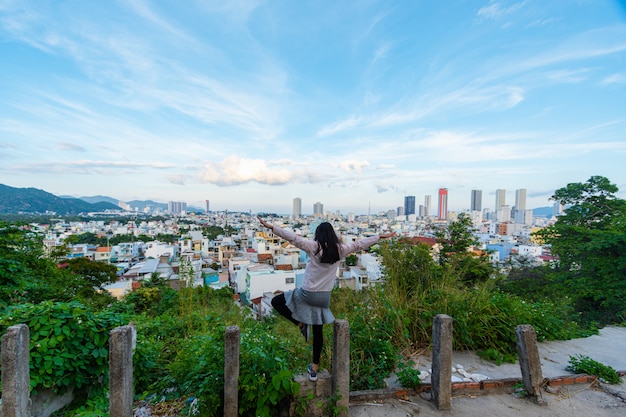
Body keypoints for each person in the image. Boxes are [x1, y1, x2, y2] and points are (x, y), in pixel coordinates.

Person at [257, 216, 395, 381]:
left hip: (307, 293)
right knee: (318, 331)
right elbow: (359, 244)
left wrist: (271, 226)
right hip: (324, 298)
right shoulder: (340, 250)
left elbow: (292, 238)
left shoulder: (313, 247)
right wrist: (379, 237)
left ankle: (300, 323)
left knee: (276, 302)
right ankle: (314, 370)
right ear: (332, 235)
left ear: (318, 235)